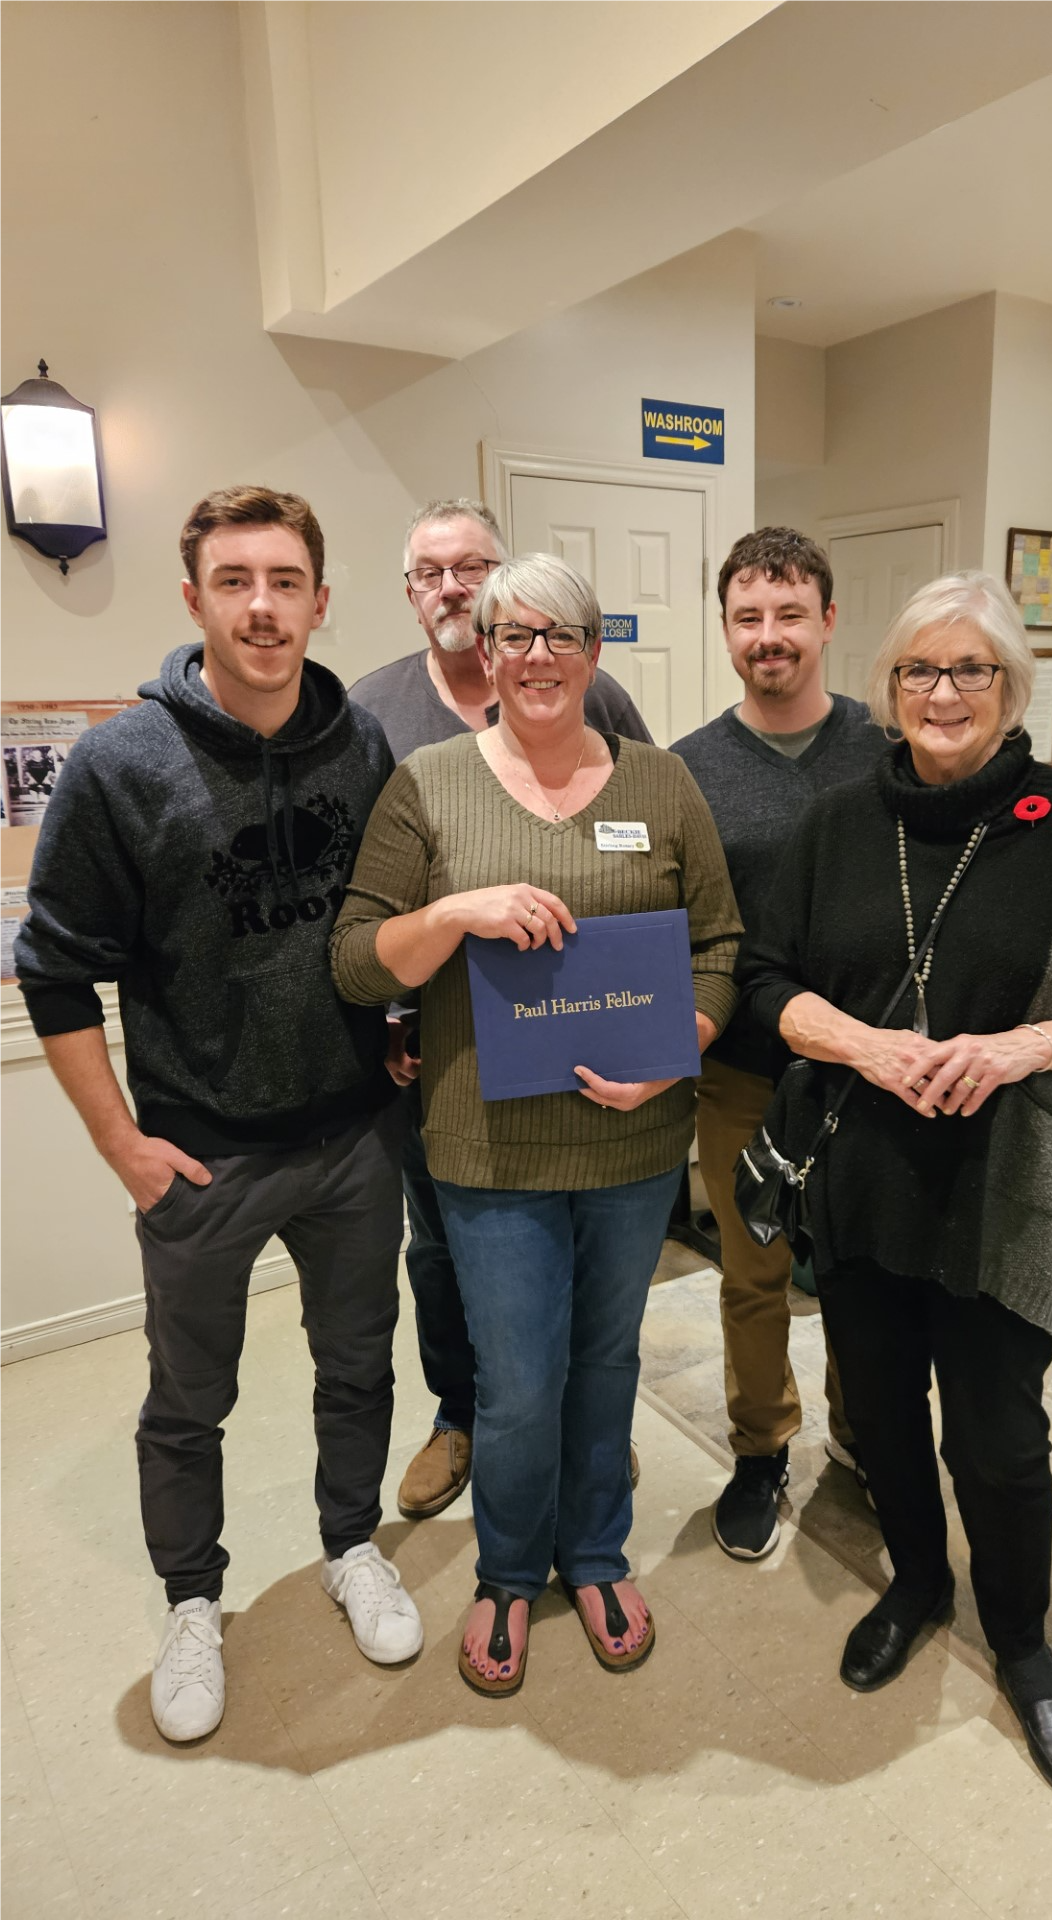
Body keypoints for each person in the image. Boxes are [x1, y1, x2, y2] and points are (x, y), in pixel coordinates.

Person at [740, 572, 1052, 1794]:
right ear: (888, 688)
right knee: (882, 1417)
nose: (943, 693)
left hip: (1008, 1187)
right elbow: (765, 981)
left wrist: (1014, 1050)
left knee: (998, 1439)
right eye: (919, 671)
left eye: (970, 670)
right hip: (864, 1177)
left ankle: (1025, 1644)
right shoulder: (837, 823)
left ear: (1012, 688)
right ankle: (920, 1588)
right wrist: (866, 1046)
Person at [15, 486, 423, 1746]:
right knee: (188, 1403)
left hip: (354, 1138)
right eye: (235, 582)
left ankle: (351, 1547)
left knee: (359, 1368)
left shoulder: (361, 745)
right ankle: (194, 1603)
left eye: (284, 581)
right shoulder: (121, 764)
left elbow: (387, 925)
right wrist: (121, 1145)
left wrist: (398, 1033)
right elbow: (53, 970)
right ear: (194, 599)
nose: (261, 607)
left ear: (319, 599)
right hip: (200, 1155)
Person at [332, 551, 741, 1697]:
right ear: (486, 651)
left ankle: (596, 1555)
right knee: (516, 1382)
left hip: (635, 1149)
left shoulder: (662, 784)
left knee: (607, 1363)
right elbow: (358, 961)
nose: (538, 656)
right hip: (489, 1148)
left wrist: (677, 1048)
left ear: (595, 652)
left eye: (561, 634)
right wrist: (456, 913)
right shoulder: (429, 786)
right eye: (514, 634)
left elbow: (719, 946)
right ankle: (510, 1573)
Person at [349, 498, 653, 1522]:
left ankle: (584, 1423)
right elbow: (366, 897)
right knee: (444, 1249)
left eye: (472, 566)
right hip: (437, 1054)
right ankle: (462, 1415)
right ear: (411, 593)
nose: (452, 586)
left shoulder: (600, 694)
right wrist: (387, 1018)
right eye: (430, 571)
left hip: (584, 1037)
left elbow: (649, 837)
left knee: (582, 1243)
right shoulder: (374, 713)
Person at [671, 527, 885, 1559]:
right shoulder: (689, 769)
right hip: (741, 1070)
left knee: (859, 1274)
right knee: (753, 1272)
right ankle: (761, 1451)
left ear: (828, 621)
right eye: (749, 617)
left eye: (790, 614)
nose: (770, 636)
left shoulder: (889, 750)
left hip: (868, 1074)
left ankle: (863, 1437)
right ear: (725, 630)